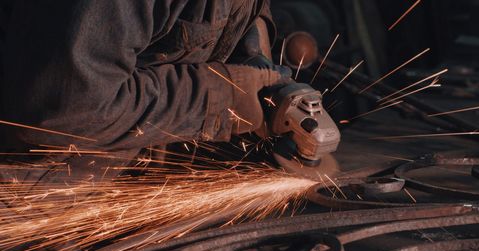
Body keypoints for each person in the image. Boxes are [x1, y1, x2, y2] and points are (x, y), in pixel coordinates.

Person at [0, 0, 291, 186]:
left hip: (116, 178)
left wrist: (252, 47)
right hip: (28, 193)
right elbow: (65, 106)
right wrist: (222, 97)